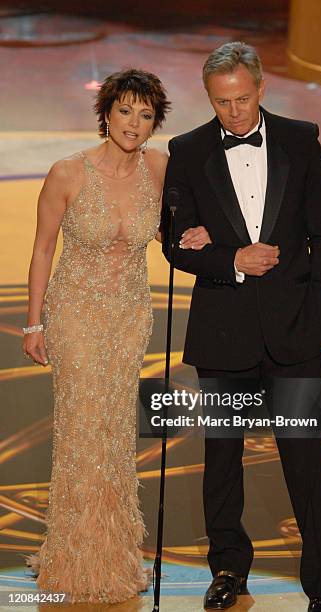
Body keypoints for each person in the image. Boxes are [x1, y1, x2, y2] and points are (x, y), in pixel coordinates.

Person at [162, 42, 321, 612]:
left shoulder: (300, 139)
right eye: (222, 102)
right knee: (221, 460)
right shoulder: (187, 152)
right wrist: (231, 261)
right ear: (209, 98)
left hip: (295, 331)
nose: (234, 112)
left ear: (261, 88)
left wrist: (318, 310)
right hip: (223, 330)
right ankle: (227, 570)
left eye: (242, 99)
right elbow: (176, 243)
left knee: (307, 462)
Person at [22, 68, 210, 604]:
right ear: (105, 113)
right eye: (125, 110)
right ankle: (74, 557)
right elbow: (42, 250)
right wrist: (34, 322)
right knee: (83, 432)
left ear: (156, 122)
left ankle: (112, 551)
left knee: (114, 437)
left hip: (130, 317)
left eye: (146, 114)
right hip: (77, 315)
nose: (134, 123)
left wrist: (200, 233)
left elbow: (171, 233)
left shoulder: (160, 168)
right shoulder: (67, 173)